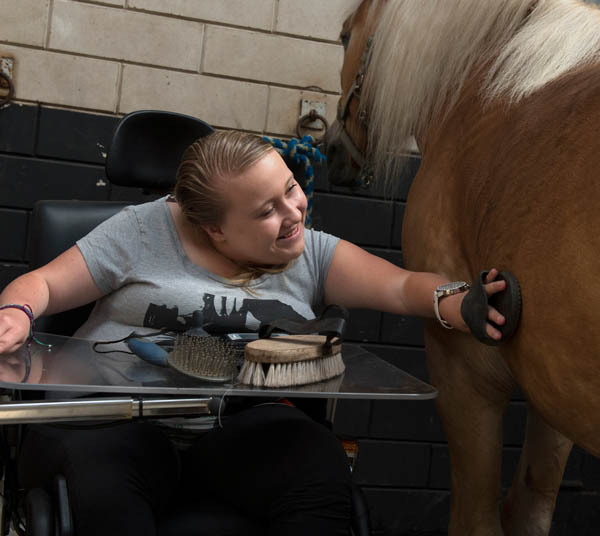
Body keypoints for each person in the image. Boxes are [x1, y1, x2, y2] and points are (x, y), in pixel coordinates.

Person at [0, 130, 506, 536]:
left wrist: (463, 303)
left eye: (289, 189)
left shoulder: (310, 251)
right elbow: (42, 284)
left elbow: (401, 289)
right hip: (118, 425)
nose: (293, 215)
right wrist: (18, 311)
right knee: (102, 490)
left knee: (315, 461)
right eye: (266, 212)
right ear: (214, 229)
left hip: (231, 434)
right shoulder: (140, 230)